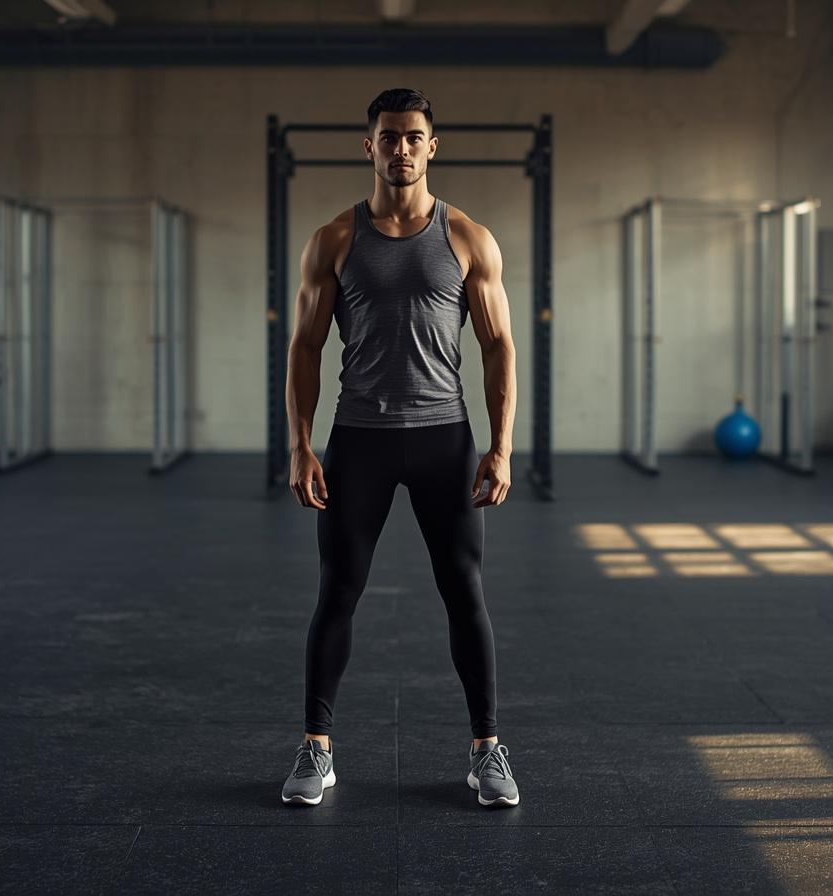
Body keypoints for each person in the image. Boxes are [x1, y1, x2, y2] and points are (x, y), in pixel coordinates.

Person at [279, 88, 520, 808]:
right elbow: (305, 346)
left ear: (431, 147)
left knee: (463, 593)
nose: (402, 148)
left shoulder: (469, 238)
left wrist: (502, 446)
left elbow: (500, 344)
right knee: (338, 593)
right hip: (360, 440)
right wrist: (299, 445)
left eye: (414, 137)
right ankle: (316, 751)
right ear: (370, 147)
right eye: (389, 137)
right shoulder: (333, 240)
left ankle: (488, 751)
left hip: (445, 438)